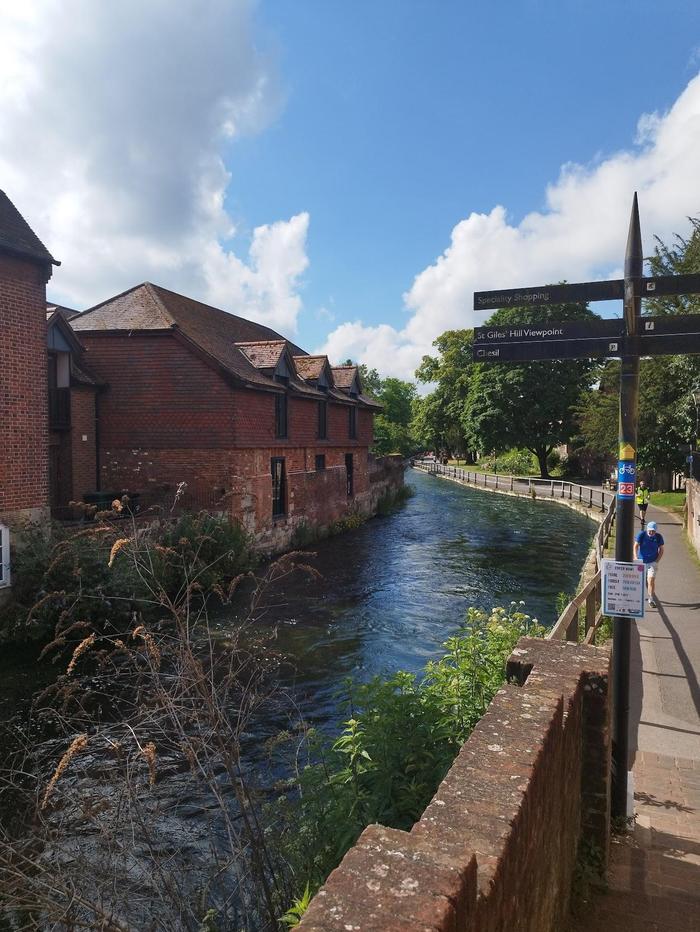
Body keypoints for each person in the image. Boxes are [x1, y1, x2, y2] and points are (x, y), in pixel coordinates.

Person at [634, 520, 665, 608]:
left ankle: (651, 599)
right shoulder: (642, 535)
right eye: (650, 531)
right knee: (639, 581)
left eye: (653, 531)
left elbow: (662, 550)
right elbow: (635, 546)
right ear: (647, 530)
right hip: (641, 561)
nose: (651, 532)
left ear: (656, 531)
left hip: (652, 562)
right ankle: (636, 599)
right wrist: (636, 557)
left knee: (650, 580)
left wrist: (656, 561)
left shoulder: (658, 537)